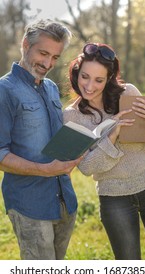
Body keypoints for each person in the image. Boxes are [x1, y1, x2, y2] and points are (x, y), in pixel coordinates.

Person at [63, 42, 145, 260]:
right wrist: (112, 136)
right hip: (114, 198)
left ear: (109, 78)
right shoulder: (70, 116)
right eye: (85, 76)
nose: (90, 86)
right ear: (77, 73)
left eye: (99, 80)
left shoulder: (128, 93)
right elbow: (86, 167)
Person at [0, 19, 82, 260]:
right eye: (43, 53)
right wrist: (45, 170)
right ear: (26, 44)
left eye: (55, 57)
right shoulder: (5, 90)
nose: (48, 64)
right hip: (30, 205)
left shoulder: (50, 88)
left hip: (64, 201)